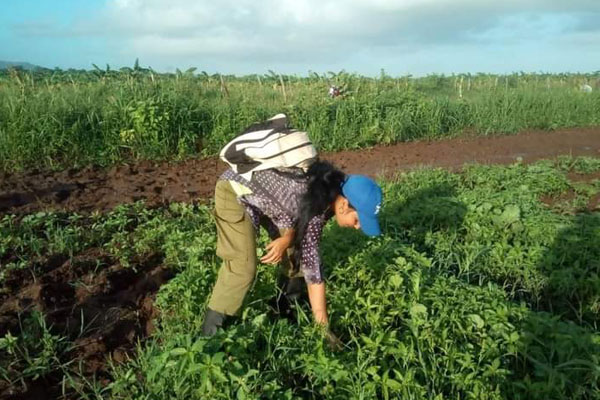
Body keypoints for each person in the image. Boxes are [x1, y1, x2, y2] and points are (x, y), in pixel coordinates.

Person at [201, 159, 383, 341]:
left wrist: (287, 238)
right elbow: (314, 275)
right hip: (234, 190)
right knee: (243, 267)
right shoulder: (317, 199)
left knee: (296, 251)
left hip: (264, 197)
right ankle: (210, 339)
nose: (358, 227)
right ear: (344, 205)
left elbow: (293, 213)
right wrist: (324, 331)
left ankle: (284, 309)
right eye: (358, 220)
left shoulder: (326, 190)